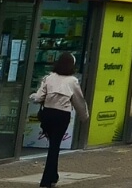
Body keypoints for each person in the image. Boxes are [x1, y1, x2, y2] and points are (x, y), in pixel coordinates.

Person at [30, 53, 89, 188]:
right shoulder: (72, 81)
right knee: (54, 146)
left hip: (48, 114)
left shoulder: (48, 78)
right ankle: (46, 180)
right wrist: (84, 116)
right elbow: (79, 101)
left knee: (53, 145)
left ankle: (52, 176)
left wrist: (32, 96)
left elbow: (39, 97)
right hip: (62, 116)